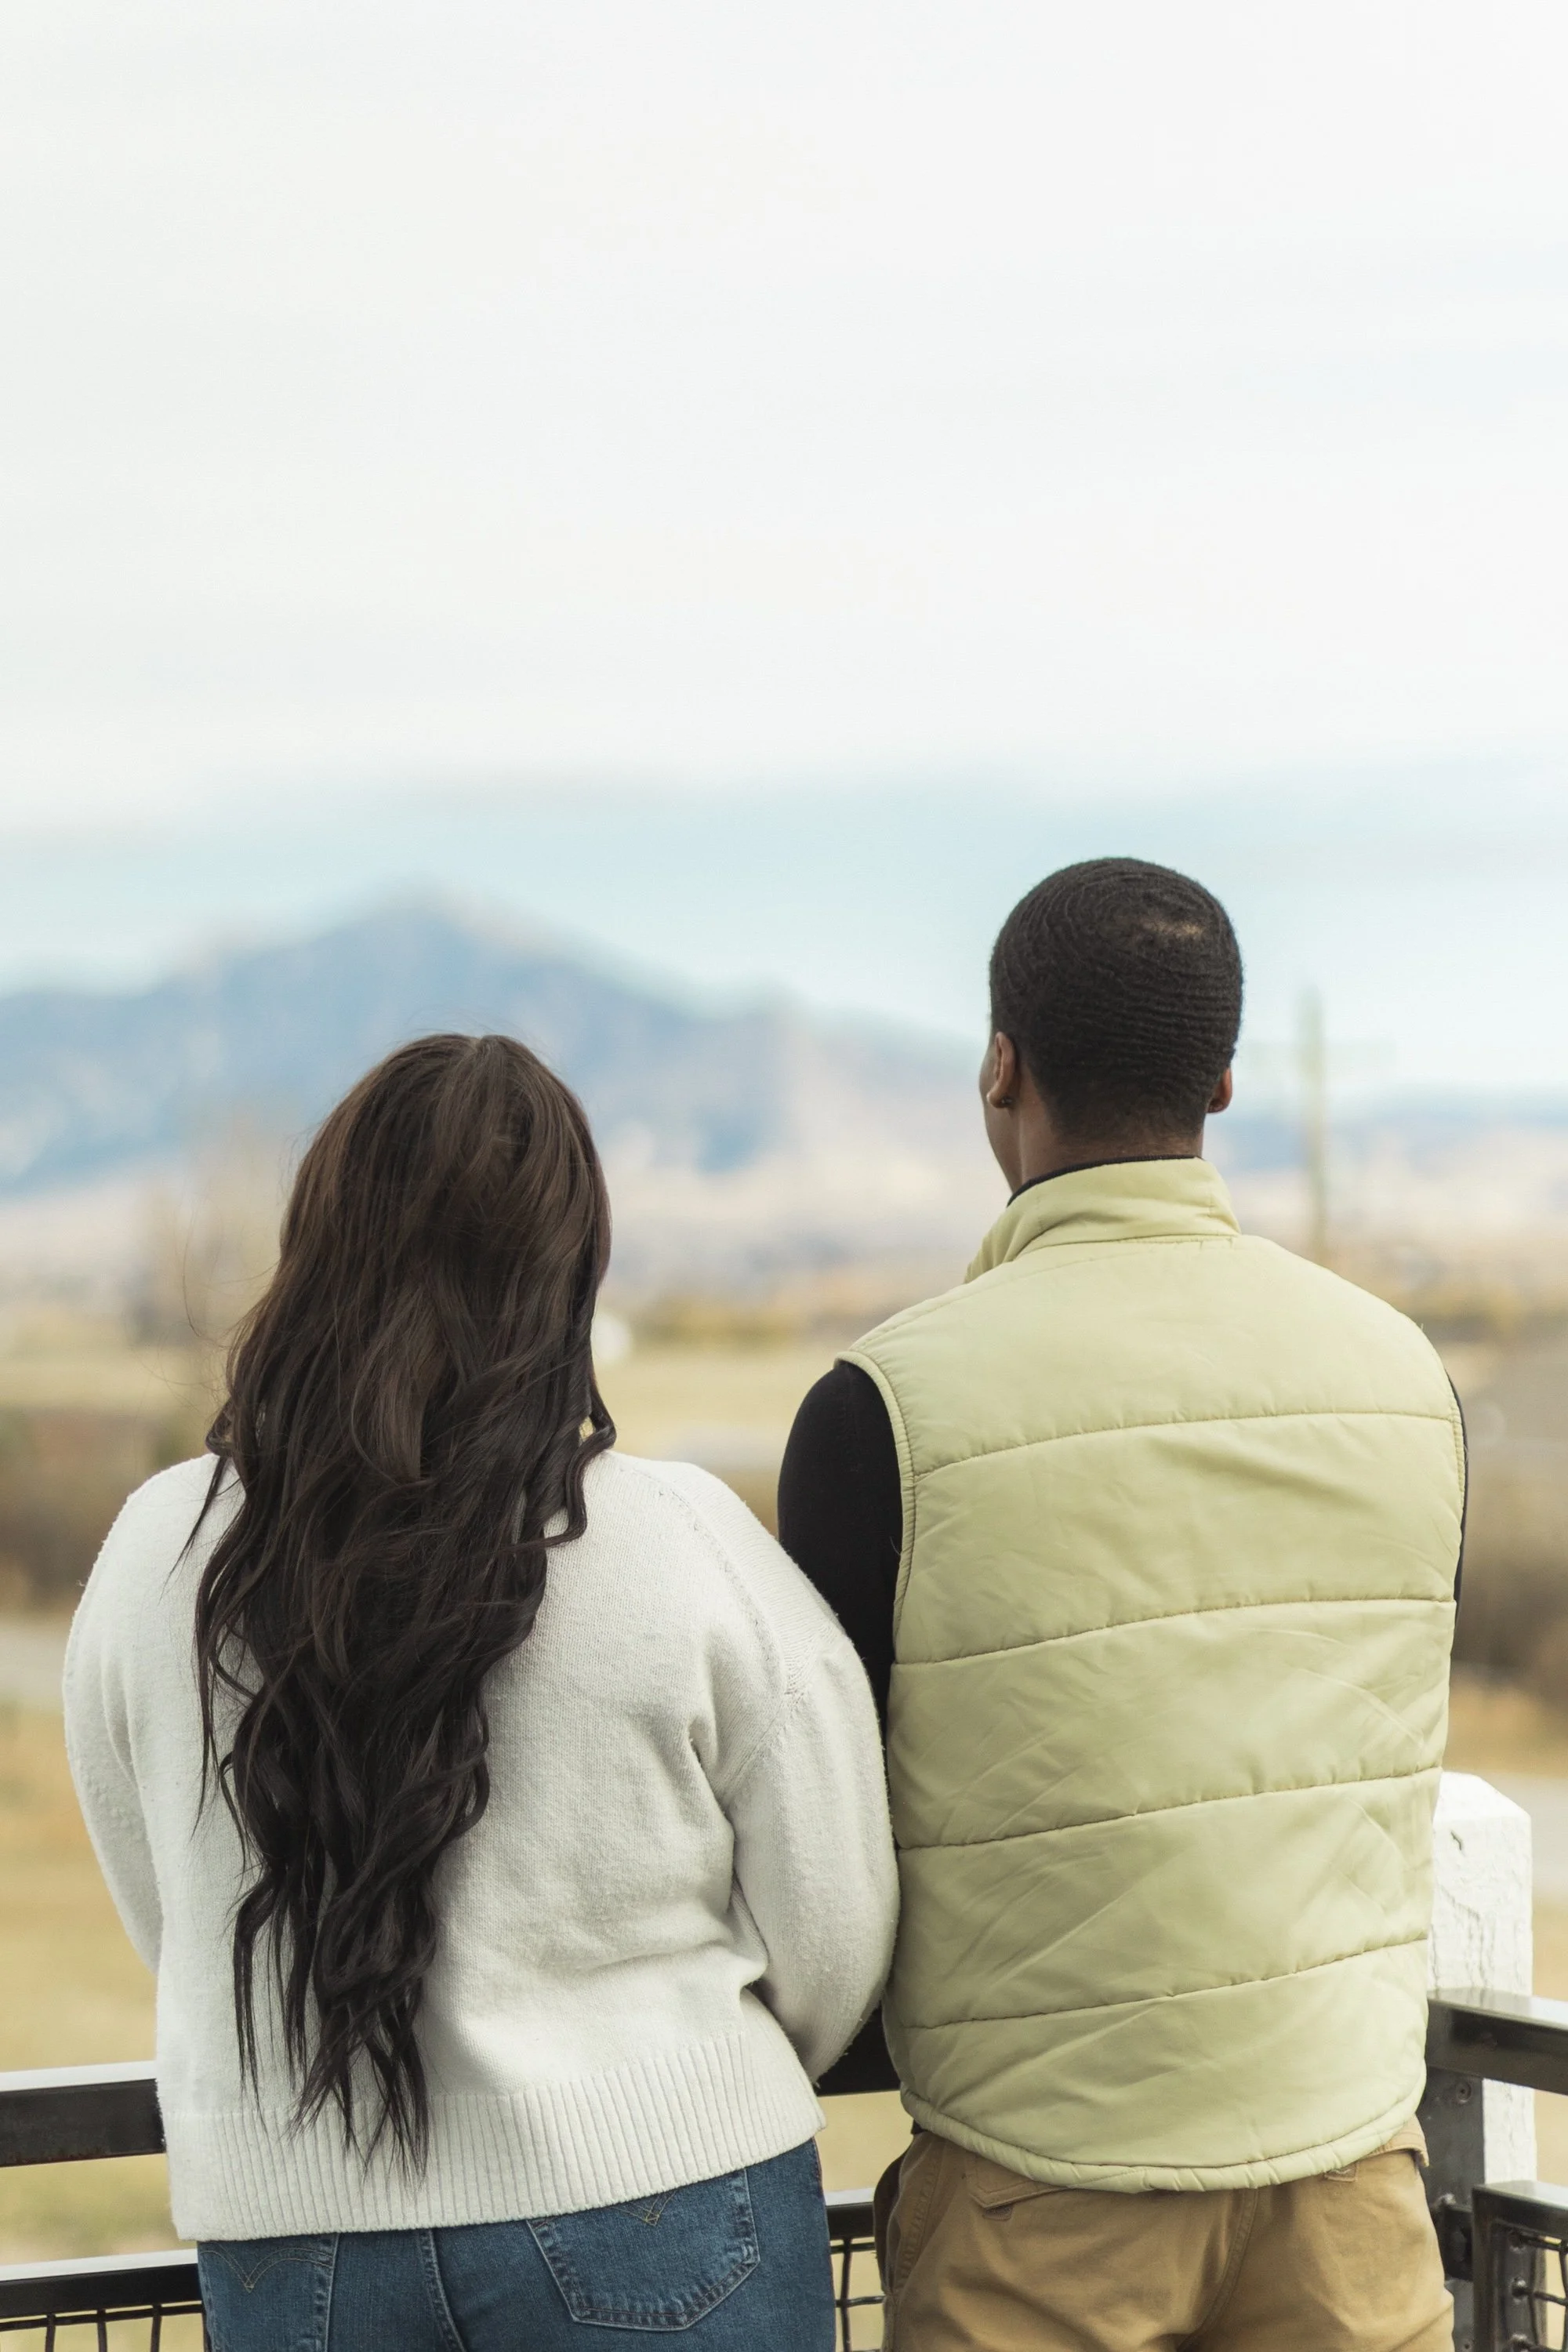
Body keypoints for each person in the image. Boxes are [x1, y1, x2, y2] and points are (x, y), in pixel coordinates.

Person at [66, 1033, 898, 2352]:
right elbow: (839, 1916)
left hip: (300, 2243)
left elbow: (171, 1906)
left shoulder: (161, 1549)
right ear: (573, 1263)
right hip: (666, 2207)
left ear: (318, 1240)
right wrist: (671, 2081)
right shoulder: (680, 1537)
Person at [779, 858, 1461, 2352]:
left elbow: (816, 1827)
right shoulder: (1406, 1379)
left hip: (1039, 2201)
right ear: (1222, 1080)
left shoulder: (885, 1408)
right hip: (1349, 2179)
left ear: (1001, 1068)